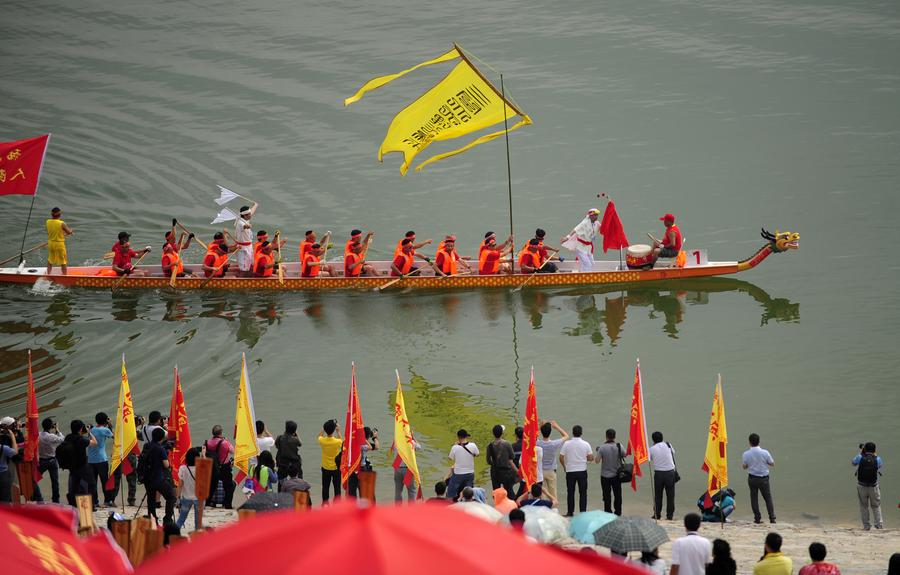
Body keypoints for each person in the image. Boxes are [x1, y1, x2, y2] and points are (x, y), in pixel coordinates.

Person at [559, 424, 594, 517]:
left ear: (573, 433)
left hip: (570, 471)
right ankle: (583, 512)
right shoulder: (586, 444)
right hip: (582, 471)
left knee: (570, 492)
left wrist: (564, 466)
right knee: (583, 492)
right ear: (581, 433)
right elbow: (590, 458)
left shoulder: (567, 444)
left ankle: (570, 512)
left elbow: (561, 457)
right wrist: (586, 458)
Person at [742, 433, 776, 524]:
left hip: (752, 478)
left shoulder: (746, 454)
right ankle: (772, 518)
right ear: (759, 441)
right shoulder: (765, 452)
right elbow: (772, 464)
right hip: (764, 479)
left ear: (749, 442)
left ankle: (757, 518)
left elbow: (744, 467)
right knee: (767, 498)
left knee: (754, 498)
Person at [145, 427, 176, 525]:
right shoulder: (160, 449)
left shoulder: (146, 446)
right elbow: (166, 465)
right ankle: (167, 518)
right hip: (158, 478)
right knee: (171, 496)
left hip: (147, 477)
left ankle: (152, 517)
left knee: (151, 498)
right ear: (162, 438)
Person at [63, 419, 97, 507]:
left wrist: (81, 432)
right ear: (81, 429)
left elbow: (75, 439)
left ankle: (74, 504)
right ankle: (92, 505)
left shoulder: (68, 437)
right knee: (91, 485)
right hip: (82, 466)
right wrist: (89, 432)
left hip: (72, 466)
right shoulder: (81, 440)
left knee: (74, 486)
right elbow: (94, 442)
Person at [851, 441, 883, 530]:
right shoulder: (877, 458)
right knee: (876, 506)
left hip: (862, 486)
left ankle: (866, 526)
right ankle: (879, 525)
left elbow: (853, 463)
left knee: (864, 506)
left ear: (864, 449)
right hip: (873, 486)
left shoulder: (860, 457)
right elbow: (879, 466)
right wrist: (874, 455)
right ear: (874, 450)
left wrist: (861, 453)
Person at [536, 420, 569, 503]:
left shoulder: (537, 443)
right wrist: (556, 426)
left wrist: (540, 426)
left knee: (542, 494)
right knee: (553, 494)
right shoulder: (554, 444)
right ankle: (554, 510)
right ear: (550, 432)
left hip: (540, 471)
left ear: (542, 432)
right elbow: (566, 436)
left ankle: (543, 510)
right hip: (551, 471)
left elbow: (532, 436)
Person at [88, 412, 115, 508]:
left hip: (90, 460)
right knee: (104, 481)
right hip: (101, 459)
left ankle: (94, 502)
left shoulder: (91, 430)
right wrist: (111, 425)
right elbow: (115, 437)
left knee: (92, 482)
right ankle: (107, 501)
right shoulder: (105, 430)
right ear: (106, 421)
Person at [204, 425, 235, 509]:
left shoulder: (207, 442)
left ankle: (207, 502)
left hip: (212, 467)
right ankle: (227, 505)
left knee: (211, 486)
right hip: (224, 467)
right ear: (221, 433)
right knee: (228, 486)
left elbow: (203, 454)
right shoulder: (224, 443)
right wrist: (227, 441)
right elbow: (233, 451)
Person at [561, 208, 601, 273]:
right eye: (595, 215)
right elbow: (575, 230)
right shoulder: (584, 223)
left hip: (588, 247)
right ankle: (587, 277)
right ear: (590, 216)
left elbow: (604, 229)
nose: (596, 216)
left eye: (597, 215)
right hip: (580, 247)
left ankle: (583, 274)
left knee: (591, 263)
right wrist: (567, 237)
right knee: (587, 264)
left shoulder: (597, 223)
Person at [649, 431, 677, 520]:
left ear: (653, 439)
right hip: (670, 473)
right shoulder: (668, 444)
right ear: (662, 438)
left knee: (658, 495)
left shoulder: (651, 449)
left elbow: (649, 458)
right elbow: (673, 452)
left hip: (659, 474)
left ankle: (657, 514)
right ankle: (669, 516)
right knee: (670, 495)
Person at [596, 428, 624, 516]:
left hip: (605, 476)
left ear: (606, 436)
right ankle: (618, 512)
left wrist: (599, 451)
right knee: (618, 495)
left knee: (606, 495)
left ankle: (608, 511)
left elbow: (597, 461)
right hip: (616, 475)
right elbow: (625, 454)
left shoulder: (602, 447)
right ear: (615, 436)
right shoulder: (619, 446)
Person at [486, 424, 518, 500]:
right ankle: (513, 507)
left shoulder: (489, 445)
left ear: (493, 434)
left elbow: (488, 460)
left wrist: (493, 464)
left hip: (495, 471)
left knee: (496, 492)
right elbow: (513, 456)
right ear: (502, 433)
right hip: (506, 471)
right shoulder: (507, 444)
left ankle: (498, 507)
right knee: (509, 491)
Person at [446, 429, 478, 501]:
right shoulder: (473, 445)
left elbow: (450, 458)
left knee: (450, 493)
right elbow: (477, 454)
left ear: (458, 437)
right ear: (466, 436)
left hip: (458, 474)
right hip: (470, 474)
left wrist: (455, 445)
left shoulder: (455, 447)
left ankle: (449, 508)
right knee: (468, 495)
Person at [38, 417, 65, 504]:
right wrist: (57, 429)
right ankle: (56, 500)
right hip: (52, 461)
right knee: (55, 482)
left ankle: (36, 497)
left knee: (34, 479)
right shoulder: (51, 437)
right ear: (51, 427)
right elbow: (62, 439)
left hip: (42, 461)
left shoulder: (38, 435)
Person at [348, 426, 379, 497]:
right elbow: (376, 446)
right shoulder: (364, 445)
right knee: (363, 490)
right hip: (362, 468)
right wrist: (374, 437)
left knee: (352, 491)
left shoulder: (352, 442)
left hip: (352, 468)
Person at [175, 447, 200, 531]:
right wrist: (203, 454)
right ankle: (197, 538)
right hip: (199, 499)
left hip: (186, 498)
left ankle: (173, 533)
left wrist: (177, 498)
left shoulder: (183, 468)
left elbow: (180, 485)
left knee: (181, 519)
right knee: (198, 521)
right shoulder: (201, 468)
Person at [318, 419, 342, 504]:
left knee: (325, 487)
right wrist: (338, 431)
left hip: (325, 467)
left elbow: (319, 436)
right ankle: (337, 505)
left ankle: (325, 503)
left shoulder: (322, 441)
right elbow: (342, 441)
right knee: (337, 487)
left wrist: (324, 429)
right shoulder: (337, 442)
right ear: (334, 429)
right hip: (336, 468)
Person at [45, 207, 74, 275]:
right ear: (59, 214)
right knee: (63, 261)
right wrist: (71, 231)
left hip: (51, 243)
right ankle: (65, 276)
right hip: (59, 244)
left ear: (52, 214)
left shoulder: (47, 221)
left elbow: (54, 231)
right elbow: (69, 232)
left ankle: (48, 274)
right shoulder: (62, 223)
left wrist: (62, 233)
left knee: (50, 259)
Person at [394, 434, 422, 503]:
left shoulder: (396, 442)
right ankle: (410, 511)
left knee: (398, 491)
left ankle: (397, 510)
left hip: (397, 469)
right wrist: (413, 437)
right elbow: (419, 447)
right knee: (411, 491)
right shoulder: (411, 442)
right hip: (407, 469)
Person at [233, 202, 259, 277]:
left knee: (250, 264)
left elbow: (252, 212)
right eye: (249, 214)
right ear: (244, 215)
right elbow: (245, 226)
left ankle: (249, 277)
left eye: (250, 214)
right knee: (244, 268)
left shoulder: (245, 218)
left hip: (249, 246)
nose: (251, 215)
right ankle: (241, 281)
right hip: (243, 249)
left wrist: (255, 205)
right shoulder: (240, 223)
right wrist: (248, 226)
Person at [0, 423, 18, 503]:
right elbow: (15, 452)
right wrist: (12, 436)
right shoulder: (3, 448)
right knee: (5, 501)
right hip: (3, 475)